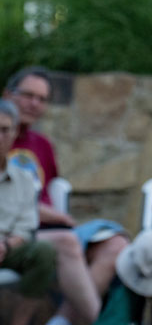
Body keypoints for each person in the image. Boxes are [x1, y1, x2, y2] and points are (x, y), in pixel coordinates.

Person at [4, 66, 129, 325]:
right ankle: (101, 321)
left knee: (116, 244)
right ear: (8, 94)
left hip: (50, 228)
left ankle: (61, 321)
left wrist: (56, 216)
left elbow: (46, 192)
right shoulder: (2, 136)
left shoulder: (43, 145)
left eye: (42, 99)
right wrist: (52, 214)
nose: (34, 104)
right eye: (28, 95)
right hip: (24, 231)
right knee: (68, 243)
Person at [0, 99, 58, 325]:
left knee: (44, 252)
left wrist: (5, 246)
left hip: (7, 248)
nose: (0, 136)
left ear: (15, 133)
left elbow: (26, 227)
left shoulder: (25, 179)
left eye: (5, 130)